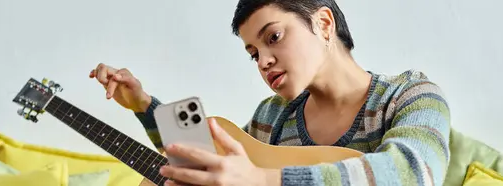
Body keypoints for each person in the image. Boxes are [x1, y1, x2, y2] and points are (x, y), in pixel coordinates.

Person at [89, 0, 451, 185]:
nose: (263, 61)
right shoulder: (272, 115)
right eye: (253, 54)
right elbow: (203, 161)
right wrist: (143, 105)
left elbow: (413, 173)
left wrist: (266, 180)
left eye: (273, 37)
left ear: (323, 23)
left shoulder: (411, 95)